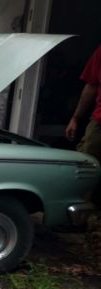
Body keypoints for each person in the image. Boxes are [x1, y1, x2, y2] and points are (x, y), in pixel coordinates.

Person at [66, 45, 101, 205]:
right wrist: (75, 118)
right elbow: (91, 86)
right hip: (99, 122)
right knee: (87, 165)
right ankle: (80, 214)